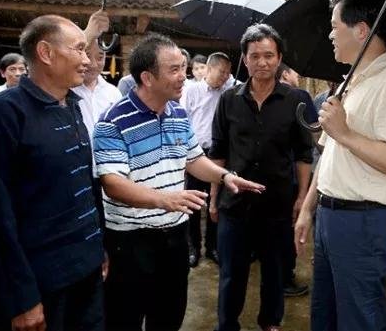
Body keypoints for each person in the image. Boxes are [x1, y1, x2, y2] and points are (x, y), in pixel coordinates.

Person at [93, 33, 263, 331]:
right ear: (147, 78)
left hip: (174, 235)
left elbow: (194, 159)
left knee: (169, 315)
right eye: (174, 69)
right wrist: (165, 199)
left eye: (183, 67)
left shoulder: (178, 114)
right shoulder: (113, 121)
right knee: (124, 318)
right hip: (130, 240)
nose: (183, 76)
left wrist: (224, 176)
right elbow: (113, 183)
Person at [0, 15, 105, 331]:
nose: (87, 60)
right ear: (46, 53)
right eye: (79, 49)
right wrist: (21, 299)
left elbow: (84, 185)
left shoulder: (72, 106)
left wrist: (98, 250)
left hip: (85, 272)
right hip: (40, 284)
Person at [294, 0, 386, 331]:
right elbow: (329, 156)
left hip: (363, 223)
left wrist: (346, 133)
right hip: (330, 217)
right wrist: (308, 209)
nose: (330, 35)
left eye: (335, 26)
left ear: (361, 30)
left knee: (358, 320)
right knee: (325, 316)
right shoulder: (350, 84)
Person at [209, 24, 313, 331]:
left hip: (277, 204)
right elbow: (219, 151)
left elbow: (304, 155)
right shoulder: (229, 100)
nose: (262, 62)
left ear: (279, 58)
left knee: (274, 271)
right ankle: (227, 325)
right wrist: (213, 198)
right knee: (231, 273)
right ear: (245, 59)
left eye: (269, 55)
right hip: (234, 204)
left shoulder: (296, 100)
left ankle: (270, 322)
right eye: (255, 56)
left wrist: (301, 198)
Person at [184, 52, 234, 267]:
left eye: (228, 73)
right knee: (194, 203)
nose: (225, 76)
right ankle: (193, 248)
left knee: (216, 202)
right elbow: (183, 120)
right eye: (222, 72)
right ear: (209, 68)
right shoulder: (192, 91)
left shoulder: (228, 93)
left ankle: (213, 246)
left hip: (219, 156)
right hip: (196, 155)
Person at [276, 62, 316, 297]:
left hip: (267, 175)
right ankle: (285, 278)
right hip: (292, 174)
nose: (298, 75)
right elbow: (314, 130)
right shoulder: (300, 96)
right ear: (285, 74)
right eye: (295, 72)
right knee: (289, 225)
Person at [72, 10, 121, 141]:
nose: (93, 64)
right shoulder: (65, 89)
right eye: (87, 55)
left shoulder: (114, 93)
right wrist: (87, 35)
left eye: (100, 57)